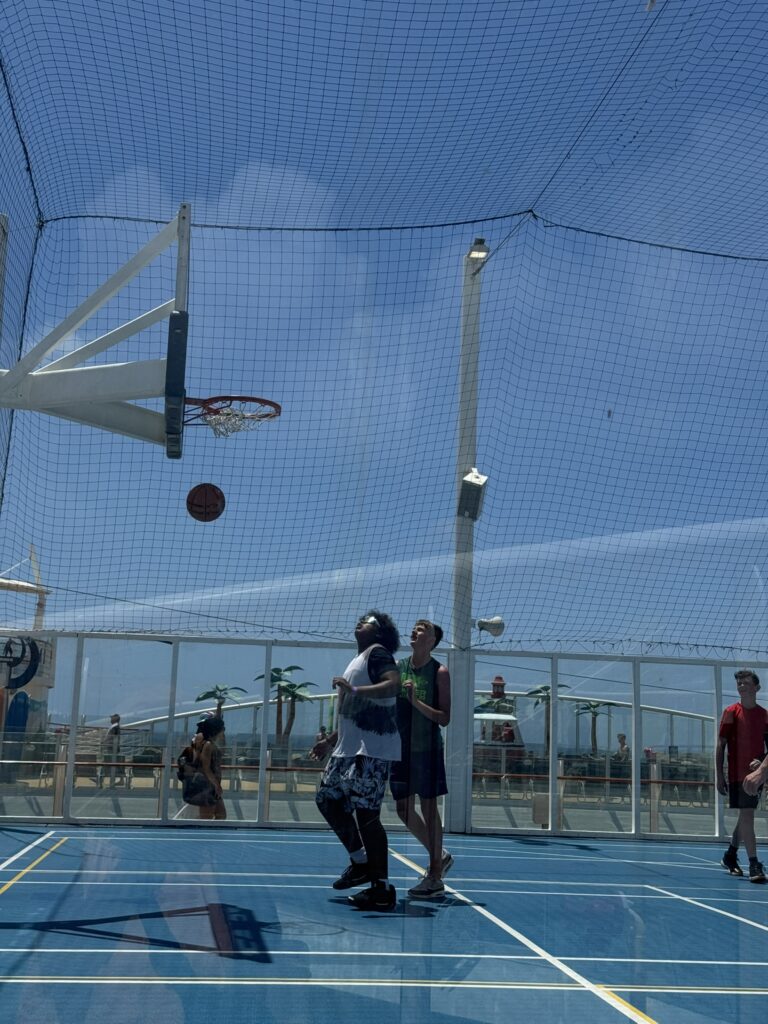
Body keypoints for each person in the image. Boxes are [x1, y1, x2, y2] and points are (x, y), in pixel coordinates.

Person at [312, 611, 401, 911]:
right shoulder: (359, 660)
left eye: (368, 621)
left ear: (378, 633)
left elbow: (394, 683)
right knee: (326, 799)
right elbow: (356, 712)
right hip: (348, 749)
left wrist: (356, 689)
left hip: (371, 751)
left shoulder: (378, 655)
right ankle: (361, 861)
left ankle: (382, 888)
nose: (359, 622)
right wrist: (330, 741)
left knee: (367, 815)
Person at [391, 619, 452, 898]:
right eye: (414, 627)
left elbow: (444, 718)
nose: (415, 631)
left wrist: (416, 701)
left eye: (422, 629)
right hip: (401, 749)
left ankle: (435, 876)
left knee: (429, 809)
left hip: (427, 749)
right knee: (403, 808)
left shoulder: (439, 672)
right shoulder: (399, 667)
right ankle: (439, 855)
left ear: (432, 641)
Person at [716, 669, 768, 883]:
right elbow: (721, 745)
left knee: (745, 816)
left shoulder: (764, 716)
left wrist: (761, 762)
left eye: (746, 683)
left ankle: (730, 855)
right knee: (747, 815)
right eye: (739, 683)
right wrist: (719, 775)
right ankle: (754, 863)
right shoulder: (730, 713)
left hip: (756, 775)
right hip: (737, 774)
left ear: (756, 687)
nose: (742, 686)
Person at [197, 716, 227, 820]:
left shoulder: (212, 744)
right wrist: (216, 785)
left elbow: (223, 750)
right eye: (223, 728)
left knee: (221, 815)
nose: (223, 731)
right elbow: (206, 768)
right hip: (207, 786)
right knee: (206, 818)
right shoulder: (208, 745)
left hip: (212, 786)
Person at [102, 713, 121, 786]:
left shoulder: (115, 727)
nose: (110, 719)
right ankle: (101, 778)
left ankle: (102, 778)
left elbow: (113, 738)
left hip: (112, 748)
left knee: (109, 763)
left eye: (112, 718)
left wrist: (105, 742)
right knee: (109, 763)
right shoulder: (115, 727)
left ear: (114, 719)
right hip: (112, 748)